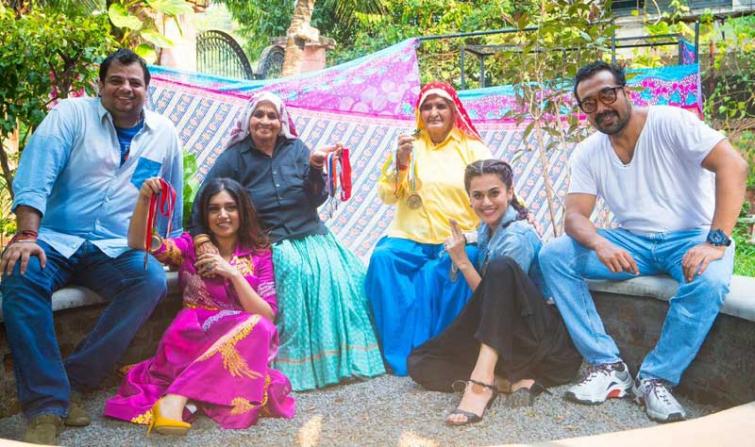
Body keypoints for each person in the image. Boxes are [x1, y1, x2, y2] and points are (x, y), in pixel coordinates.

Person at [538, 61, 748, 423]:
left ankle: (656, 379)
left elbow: (734, 165)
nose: (601, 107)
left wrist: (716, 241)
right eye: (589, 103)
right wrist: (600, 243)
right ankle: (607, 365)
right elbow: (574, 216)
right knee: (554, 255)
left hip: (692, 236)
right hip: (633, 242)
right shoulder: (588, 151)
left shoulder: (669, 122)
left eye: (608, 95)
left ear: (625, 92)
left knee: (710, 281)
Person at [0, 48, 183, 445]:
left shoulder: (164, 134)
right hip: (56, 238)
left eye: (135, 82)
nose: (125, 88)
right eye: (116, 80)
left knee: (150, 280)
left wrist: (171, 243)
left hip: (115, 247)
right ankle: (46, 407)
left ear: (147, 89)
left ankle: (74, 382)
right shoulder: (70, 116)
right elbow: (36, 176)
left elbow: (171, 197)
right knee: (20, 274)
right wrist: (27, 235)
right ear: (100, 85)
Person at [192, 92, 385, 391]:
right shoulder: (234, 158)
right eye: (259, 114)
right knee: (294, 271)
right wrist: (202, 239)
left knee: (348, 276)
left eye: (272, 115)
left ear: (281, 121)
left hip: (313, 234)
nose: (265, 121)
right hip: (272, 242)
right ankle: (298, 371)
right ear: (248, 120)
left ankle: (348, 361)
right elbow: (203, 199)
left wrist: (315, 167)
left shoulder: (296, 149)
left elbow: (316, 198)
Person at [105, 177, 295, 434]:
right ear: (205, 215)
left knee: (261, 328)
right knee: (256, 357)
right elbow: (140, 243)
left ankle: (178, 399)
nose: (223, 215)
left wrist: (233, 274)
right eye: (214, 209)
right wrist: (144, 200)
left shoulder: (258, 253)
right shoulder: (190, 246)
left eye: (230, 207)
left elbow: (267, 315)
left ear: (242, 211)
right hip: (191, 337)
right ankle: (190, 397)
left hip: (236, 345)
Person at [407, 160, 581, 426]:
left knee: (501, 268)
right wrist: (467, 239)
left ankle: (481, 385)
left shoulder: (517, 237)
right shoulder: (488, 227)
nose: (486, 202)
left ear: (510, 193)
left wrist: (463, 262)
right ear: (469, 199)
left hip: (541, 340)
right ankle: (509, 382)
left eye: (494, 193)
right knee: (421, 362)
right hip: (510, 338)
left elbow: (498, 304)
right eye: (478, 196)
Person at [365, 81, 493, 375]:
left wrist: (521, 212)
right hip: (410, 236)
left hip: (457, 236)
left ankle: (442, 353)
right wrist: (400, 164)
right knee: (383, 260)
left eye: (441, 106)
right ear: (419, 113)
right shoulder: (407, 146)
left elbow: (496, 184)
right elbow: (387, 195)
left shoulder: (471, 147)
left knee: (458, 264)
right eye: (427, 107)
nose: (434, 112)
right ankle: (400, 357)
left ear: (453, 111)